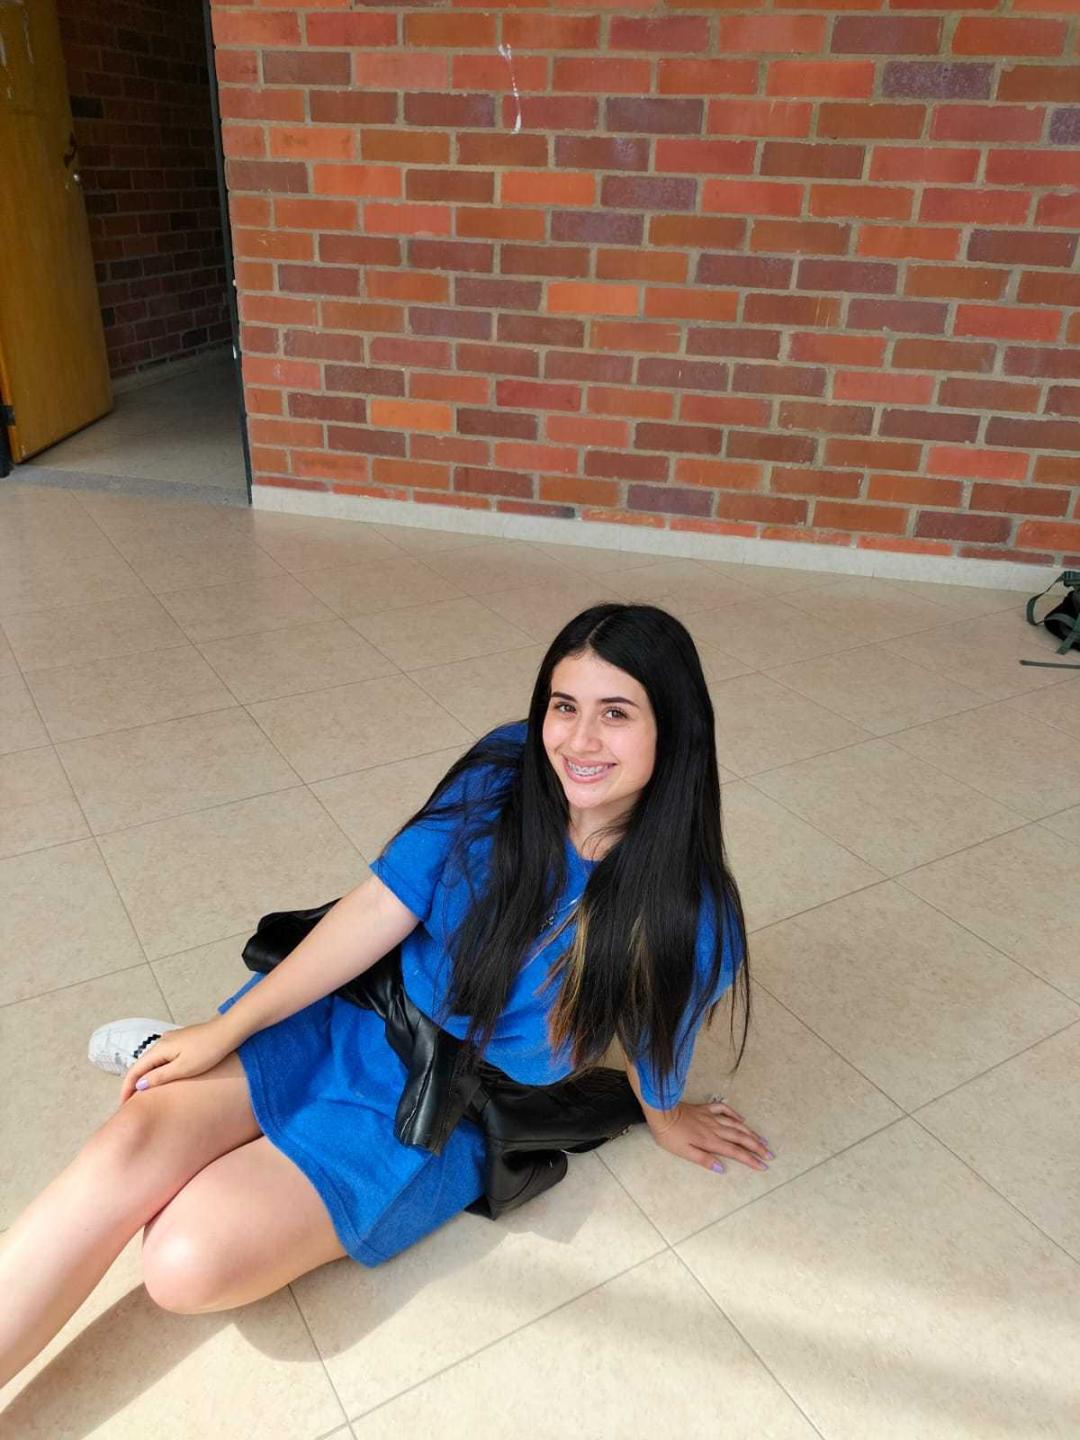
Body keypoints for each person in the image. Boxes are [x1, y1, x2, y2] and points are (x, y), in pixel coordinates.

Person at [0, 602, 770, 1388]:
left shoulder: (689, 917)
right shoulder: (506, 770)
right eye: (563, 706)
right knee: (128, 1148)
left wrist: (664, 1114)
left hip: (445, 1109)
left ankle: (223, 1114)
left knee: (181, 1263)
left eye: (616, 714)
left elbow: (657, 1037)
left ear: (674, 730)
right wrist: (223, 1029)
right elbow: (378, 907)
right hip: (360, 1009)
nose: (577, 740)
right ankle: (192, 1061)